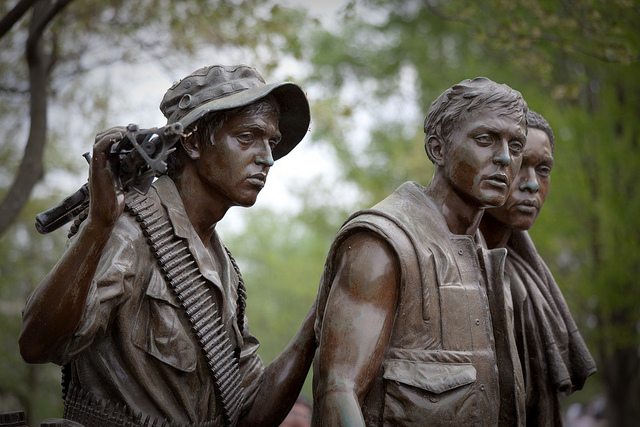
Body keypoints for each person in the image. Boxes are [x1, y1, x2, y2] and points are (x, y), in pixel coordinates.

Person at [19, 64, 316, 427]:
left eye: (271, 142)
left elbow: (249, 414)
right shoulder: (128, 231)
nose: (267, 157)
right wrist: (98, 227)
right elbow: (37, 345)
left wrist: (317, 324)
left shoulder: (225, 271)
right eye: (247, 137)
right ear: (191, 141)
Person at [312, 77, 529, 426]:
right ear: (438, 149)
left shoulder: (487, 258)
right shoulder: (383, 243)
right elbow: (337, 391)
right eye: (485, 139)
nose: (504, 158)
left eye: (515, 146)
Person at [479, 110, 596, 425]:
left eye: (543, 169)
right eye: (519, 165)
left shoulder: (529, 281)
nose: (531, 185)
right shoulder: (438, 263)